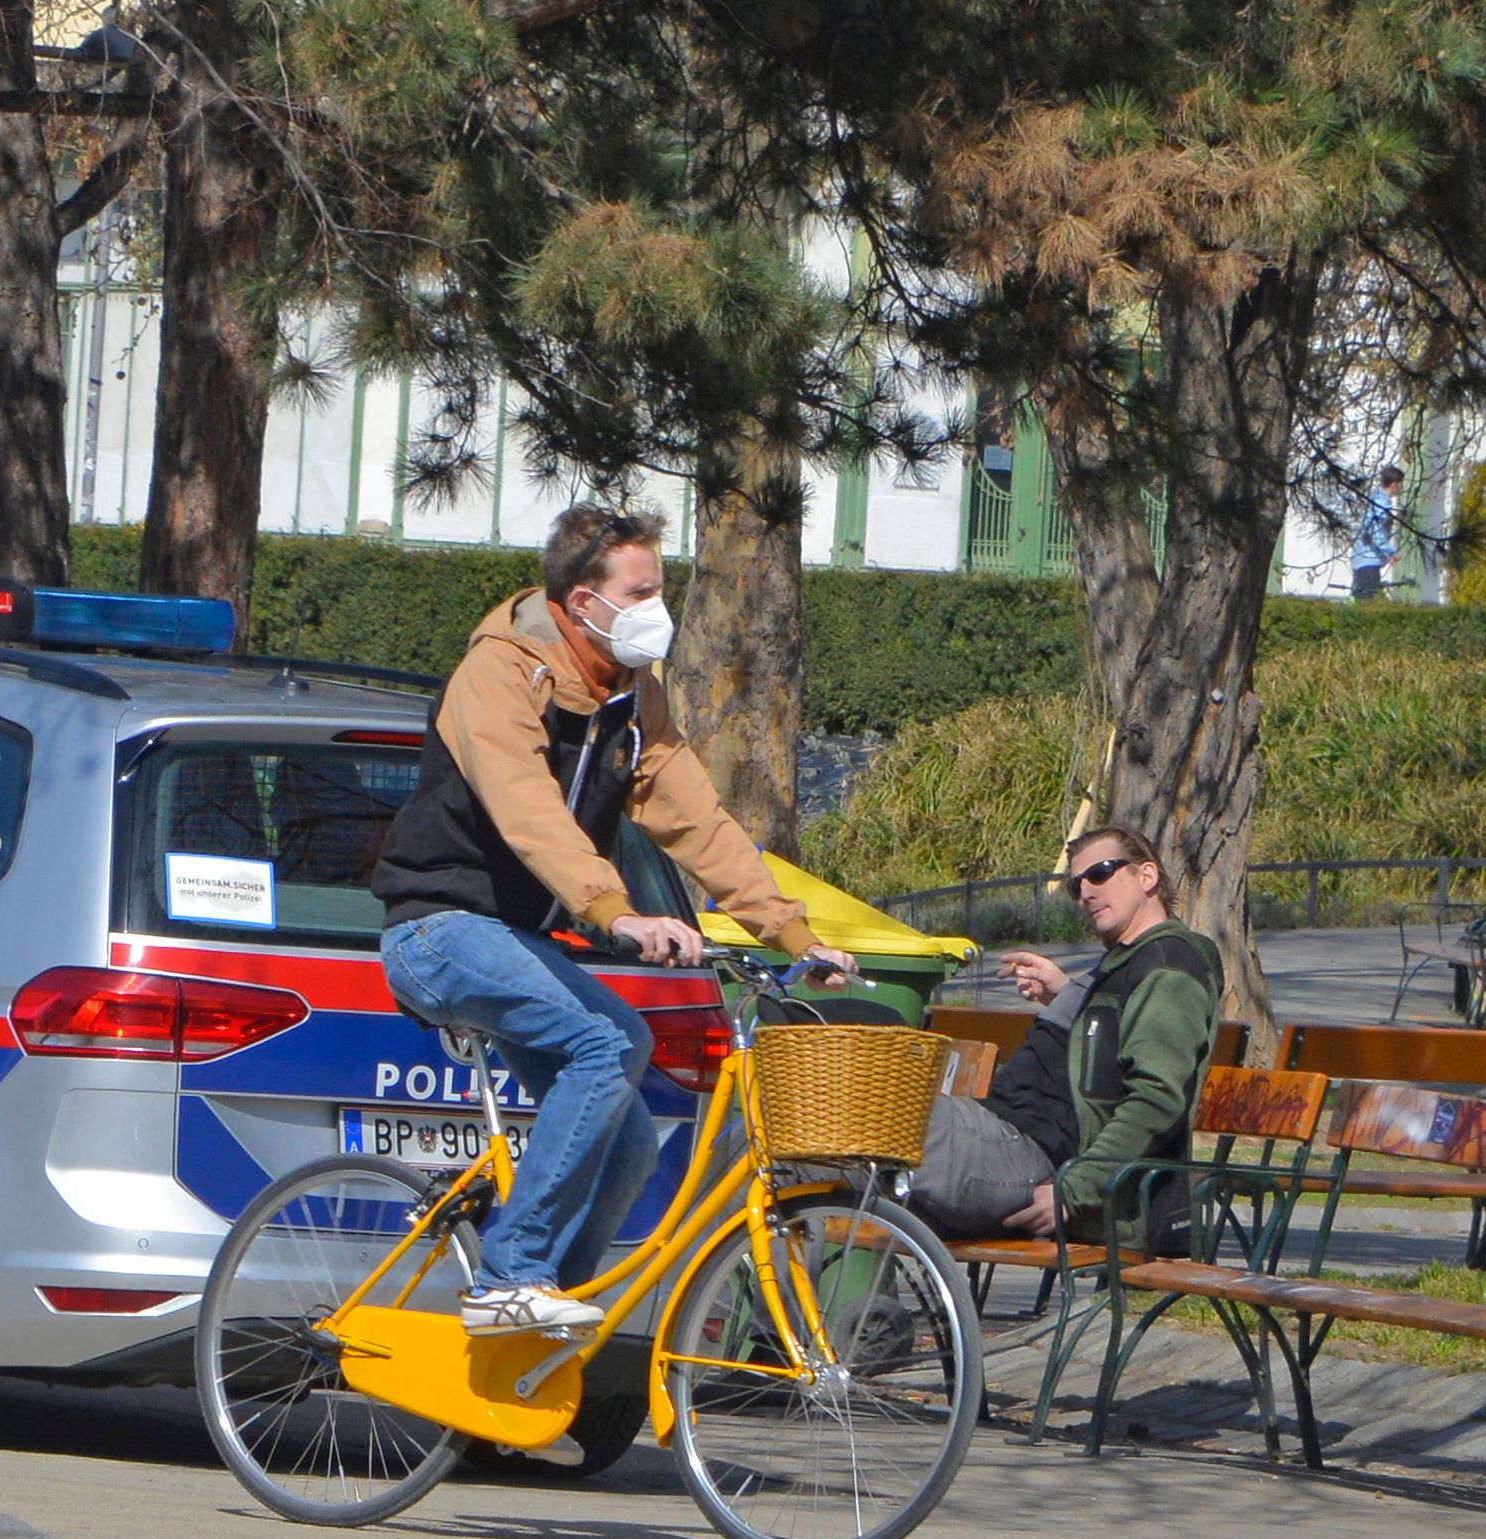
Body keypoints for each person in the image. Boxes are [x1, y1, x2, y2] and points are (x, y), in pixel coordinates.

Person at [362, 504, 854, 1335]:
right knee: (612, 1041)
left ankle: (539, 1327)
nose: (660, 607)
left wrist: (794, 933)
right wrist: (615, 910)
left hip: (514, 937)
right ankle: (507, 1275)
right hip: (437, 926)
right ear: (583, 601)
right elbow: (529, 811)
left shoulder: (631, 696)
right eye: (645, 590)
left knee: (627, 1143)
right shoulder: (499, 673)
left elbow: (699, 821)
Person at [908, 829, 1222, 1244]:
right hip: (997, 1134)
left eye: (1101, 874)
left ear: (1147, 876)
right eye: (1077, 885)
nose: (1086, 893)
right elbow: (1113, 1032)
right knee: (826, 1171)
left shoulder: (1167, 967)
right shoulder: (1125, 964)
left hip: (1028, 1154)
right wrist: (1069, 993)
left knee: (871, 1116)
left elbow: (1156, 1099)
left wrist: (1071, 1193)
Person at [1353, 464, 1406, 602]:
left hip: (1362, 559)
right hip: (1369, 562)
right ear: (1394, 484)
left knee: (1360, 599)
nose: (1401, 488)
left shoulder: (1374, 499)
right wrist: (1391, 552)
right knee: (1366, 603)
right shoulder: (1382, 504)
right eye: (1401, 484)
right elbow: (1376, 533)